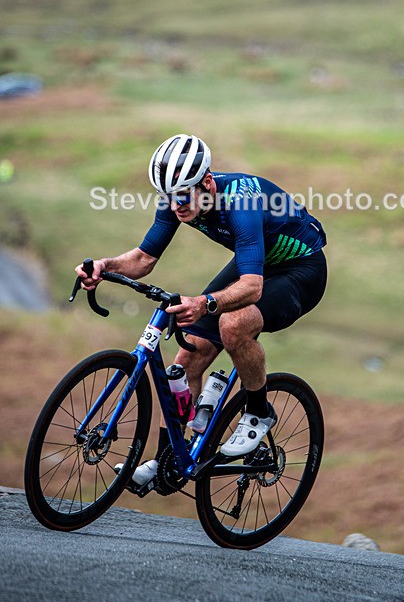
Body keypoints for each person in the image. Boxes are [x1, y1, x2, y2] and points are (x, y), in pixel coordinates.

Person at [76, 133, 327, 489]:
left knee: (233, 325)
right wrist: (105, 266)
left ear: (207, 183)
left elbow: (253, 287)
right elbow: (144, 259)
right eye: (167, 197)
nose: (175, 205)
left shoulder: (241, 204)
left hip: (301, 270)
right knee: (188, 356)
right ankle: (167, 461)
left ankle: (257, 413)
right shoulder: (180, 198)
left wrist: (205, 303)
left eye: (182, 196)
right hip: (257, 265)